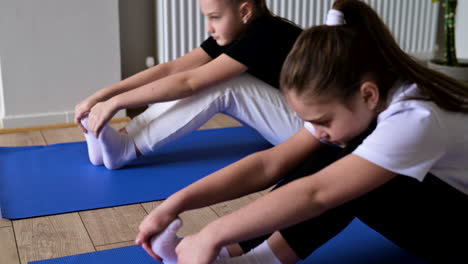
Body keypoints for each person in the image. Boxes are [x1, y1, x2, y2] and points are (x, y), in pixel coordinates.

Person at [135, 0, 468, 263]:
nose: (319, 129)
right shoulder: (359, 91)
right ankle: (243, 254)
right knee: (331, 150)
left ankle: (257, 259)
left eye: (322, 119)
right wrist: (174, 205)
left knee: (345, 172)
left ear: (368, 95)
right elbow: (270, 164)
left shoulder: (415, 118)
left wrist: (212, 235)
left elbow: (316, 194)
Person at [75, 0, 303, 170]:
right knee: (202, 79)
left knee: (226, 83)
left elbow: (189, 82)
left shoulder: (267, 33)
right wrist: (102, 96)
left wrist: (115, 103)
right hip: (293, 125)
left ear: (244, 11)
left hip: (317, 135)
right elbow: (172, 69)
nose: (208, 27)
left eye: (214, 17)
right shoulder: (238, 33)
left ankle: (126, 149)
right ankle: (121, 140)